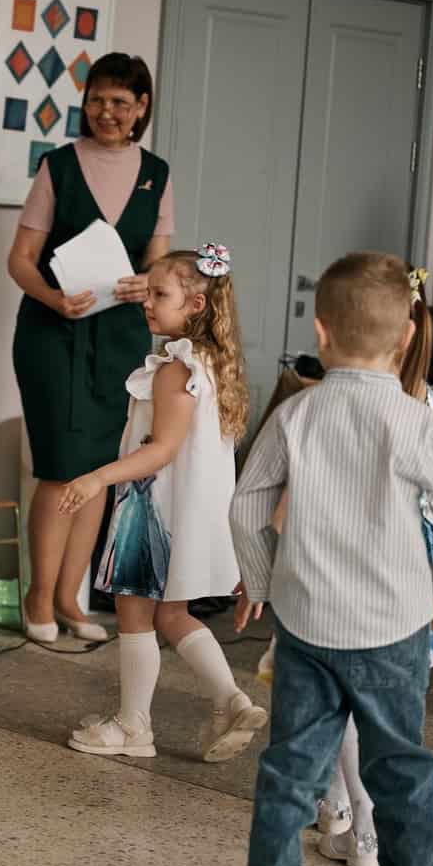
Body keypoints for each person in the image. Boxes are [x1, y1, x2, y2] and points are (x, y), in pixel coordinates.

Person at [227, 252, 433, 866]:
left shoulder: (297, 413)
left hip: (308, 625)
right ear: (405, 335)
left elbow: (247, 503)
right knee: (401, 765)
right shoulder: (417, 422)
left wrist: (264, 582)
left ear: (320, 331)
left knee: (291, 769)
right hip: (395, 629)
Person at [58, 245, 265, 762]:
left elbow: (162, 450)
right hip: (188, 515)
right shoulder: (212, 363)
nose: (147, 303)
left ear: (196, 304)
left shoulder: (177, 367)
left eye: (159, 294)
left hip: (154, 511)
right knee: (172, 614)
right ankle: (232, 701)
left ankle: (134, 726)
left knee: (134, 611)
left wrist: (97, 478)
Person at [8, 53, 174, 644]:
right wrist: (54, 299)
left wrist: (144, 284)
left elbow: (160, 267)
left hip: (120, 340)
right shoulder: (57, 165)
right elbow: (20, 260)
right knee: (60, 468)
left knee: (99, 471)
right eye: (98, 99)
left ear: (141, 107)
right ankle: (38, 597)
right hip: (52, 335)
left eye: (120, 102)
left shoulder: (157, 173)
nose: (107, 111)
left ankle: (70, 599)